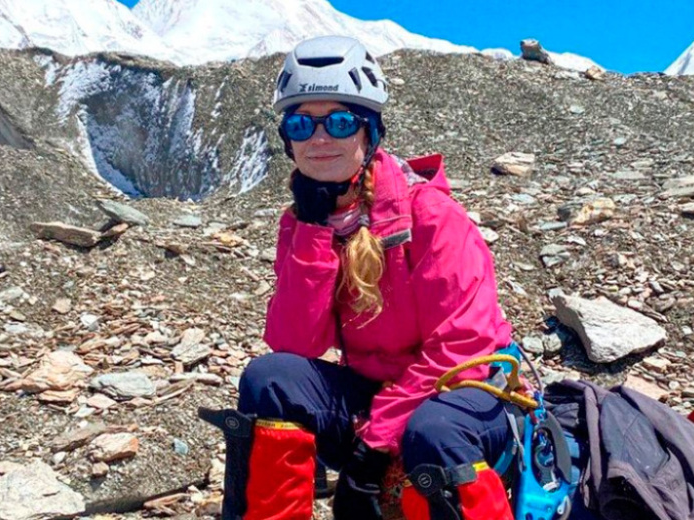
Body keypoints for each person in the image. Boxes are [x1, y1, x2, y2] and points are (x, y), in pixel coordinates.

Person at [209, 35, 520, 520]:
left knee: (433, 432)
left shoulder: (430, 215)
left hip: (464, 397)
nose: (319, 138)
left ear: (369, 132)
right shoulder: (302, 223)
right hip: (377, 393)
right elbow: (296, 343)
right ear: (287, 139)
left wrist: (374, 445)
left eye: (339, 122)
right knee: (269, 380)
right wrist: (312, 231)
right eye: (300, 123)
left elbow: (465, 349)